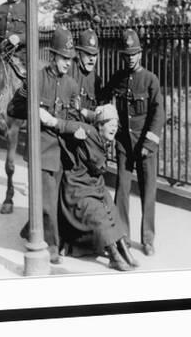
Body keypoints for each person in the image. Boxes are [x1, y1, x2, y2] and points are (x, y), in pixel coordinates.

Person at [8, 26, 80, 264]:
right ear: (53, 56)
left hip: (62, 151)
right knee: (47, 202)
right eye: (63, 58)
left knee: (55, 200)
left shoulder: (71, 85)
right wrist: (34, 110)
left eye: (70, 59)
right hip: (41, 150)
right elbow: (13, 108)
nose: (67, 63)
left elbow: (73, 118)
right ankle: (51, 246)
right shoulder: (36, 79)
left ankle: (31, 230)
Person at [39, 104, 139, 271]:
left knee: (111, 209)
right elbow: (58, 124)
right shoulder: (85, 130)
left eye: (116, 125)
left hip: (94, 185)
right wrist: (40, 112)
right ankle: (113, 254)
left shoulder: (104, 140)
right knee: (98, 214)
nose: (114, 128)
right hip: (77, 187)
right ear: (100, 125)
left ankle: (124, 249)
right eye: (110, 124)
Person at [100, 29, 165, 256]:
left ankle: (147, 238)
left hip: (144, 144)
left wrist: (149, 143)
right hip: (124, 143)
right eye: (126, 55)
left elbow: (159, 114)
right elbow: (104, 96)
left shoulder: (150, 80)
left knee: (148, 191)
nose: (130, 58)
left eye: (134, 54)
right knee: (122, 188)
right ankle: (123, 235)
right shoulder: (118, 77)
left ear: (140, 54)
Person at [69, 28, 103, 122]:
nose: (92, 59)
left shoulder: (96, 80)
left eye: (94, 55)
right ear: (79, 54)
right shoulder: (68, 72)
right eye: (88, 54)